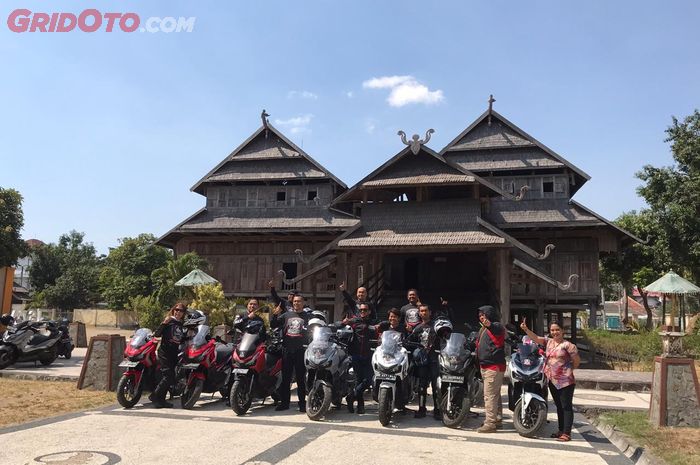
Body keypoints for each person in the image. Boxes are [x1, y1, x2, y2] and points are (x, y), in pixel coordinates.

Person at [520, 318, 580, 442]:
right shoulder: (549, 342)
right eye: (552, 330)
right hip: (552, 380)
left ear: (562, 330)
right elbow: (535, 338)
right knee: (558, 406)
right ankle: (560, 430)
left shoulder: (569, 345)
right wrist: (526, 329)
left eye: (557, 329)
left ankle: (567, 433)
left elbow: (577, 361)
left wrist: (566, 371)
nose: (555, 332)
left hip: (565, 381)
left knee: (566, 406)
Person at [271, 294, 310, 412]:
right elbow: (273, 325)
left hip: (301, 350)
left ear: (303, 303)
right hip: (287, 349)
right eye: (294, 302)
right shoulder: (286, 315)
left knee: (300, 379)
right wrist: (274, 315)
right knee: (286, 379)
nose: (296, 303)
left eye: (299, 301)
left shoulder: (308, 316)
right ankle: (285, 403)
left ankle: (302, 404)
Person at [408, 305, 444, 420]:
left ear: (430, 312)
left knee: (435, 385)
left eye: (425, 311)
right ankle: (421, 408)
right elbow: (410, 341)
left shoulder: (437, 326)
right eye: (421, 311)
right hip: (422, 361)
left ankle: (437, 409)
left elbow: (445, 337)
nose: (423, 313)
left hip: (434, 359)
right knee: (422, 386)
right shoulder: (417, 328)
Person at [149, 303, 187, 408]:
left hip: (174, 353)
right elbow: (157, 334)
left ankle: (161, 400)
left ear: (184, 313)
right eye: (177, 310)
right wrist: (163, 323)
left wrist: (189, 335)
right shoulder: (169, 321)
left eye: (181, 311)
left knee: (171, 377)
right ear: (173, 310)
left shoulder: (181, 324)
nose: (178, 312)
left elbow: (180, 339)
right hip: (164, 352)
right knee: (168, 376)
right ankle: (154, 395)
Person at [476, 305, 505, 433]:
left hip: (493, 366)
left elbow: (496, 328)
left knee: (489, 396)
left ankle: (490, 423)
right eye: (480, 315)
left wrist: (489, 324)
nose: (482, 317)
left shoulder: (496, 326)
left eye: (484, 315)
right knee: (495, 395)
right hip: (486, 366)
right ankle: (497, 418)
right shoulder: (483, 329)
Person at [343, 303, 376, 414]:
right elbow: (339, 325)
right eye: (361, 310)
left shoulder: (373, 322)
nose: (363, 312)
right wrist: (343, 322)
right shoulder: (354, 321)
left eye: (365, 310)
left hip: (368, 355)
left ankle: (351, 396)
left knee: (368, 380)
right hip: (356, 355)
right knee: (359, 379)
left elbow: (386, 325)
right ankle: (360, 406)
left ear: (369, 311)